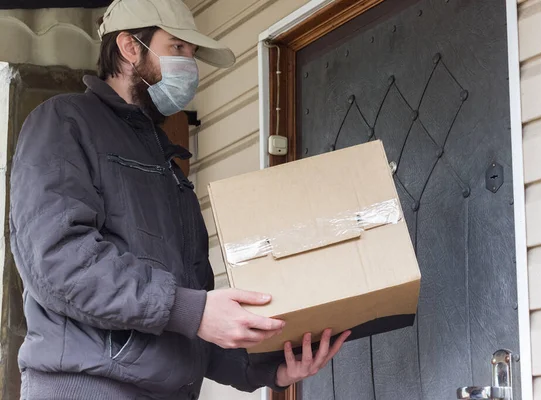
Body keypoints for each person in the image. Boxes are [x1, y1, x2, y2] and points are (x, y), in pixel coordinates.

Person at [9, 0, 351, 398]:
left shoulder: (166, 161)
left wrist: (270, 367)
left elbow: (190, 315)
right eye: (177, 48)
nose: (190, 64)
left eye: (192, 53)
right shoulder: (64, 122)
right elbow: (59, 260)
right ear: (129, 47)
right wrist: (193, 310)